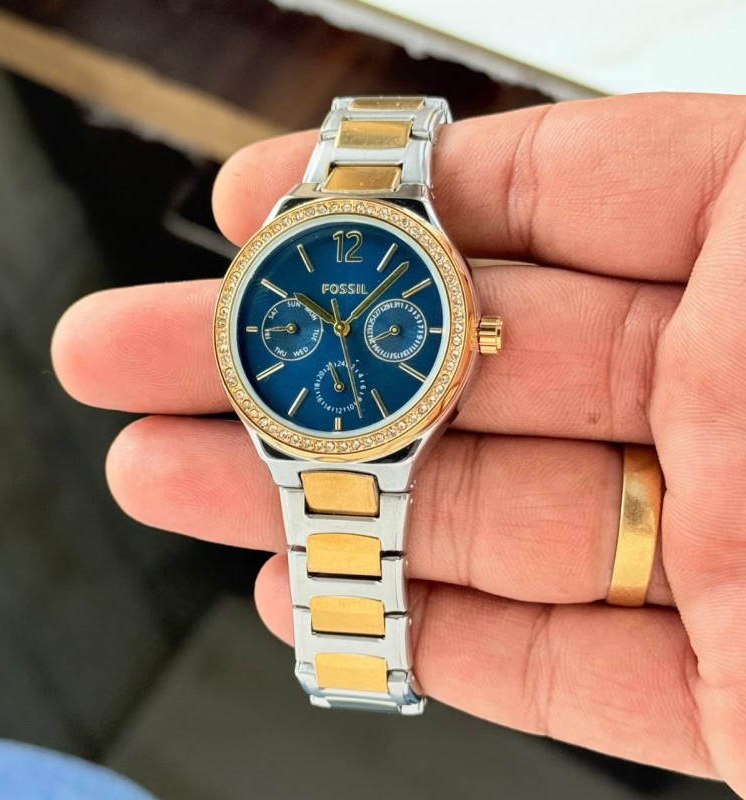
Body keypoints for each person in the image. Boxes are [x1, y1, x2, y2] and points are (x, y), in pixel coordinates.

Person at [50, 92, 746, 797]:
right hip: (298, 424)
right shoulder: (279, 293)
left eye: (378, 325)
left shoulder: (422, 289)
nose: (344, 329)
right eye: (323, 321)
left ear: (474, 336)